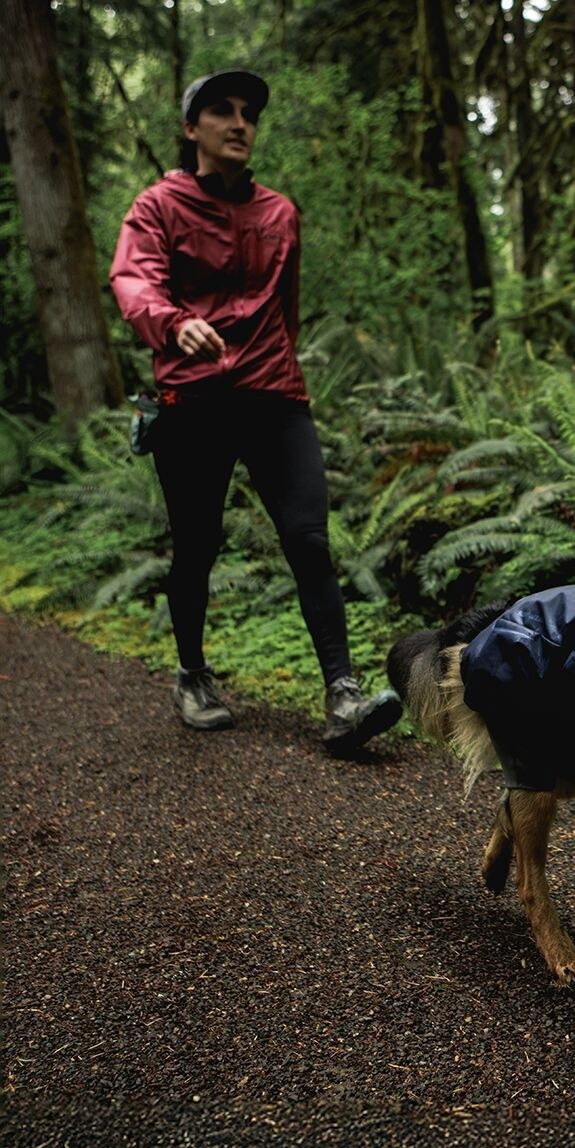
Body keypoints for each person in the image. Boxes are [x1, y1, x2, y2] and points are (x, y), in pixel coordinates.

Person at [109, 69, 400, 754]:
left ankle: (343, 695)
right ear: (192, 129)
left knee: (308, 538)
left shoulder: (279, 213)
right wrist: (173, 322)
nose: (240, 123)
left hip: (272, 393)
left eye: (248, 113)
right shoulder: (158, 205)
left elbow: (286, 310)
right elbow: (133, 279)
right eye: (222, 111)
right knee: (198, 546)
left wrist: (277, 368)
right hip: (192, 399)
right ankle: (192, 674)